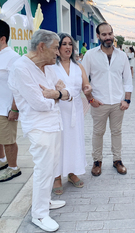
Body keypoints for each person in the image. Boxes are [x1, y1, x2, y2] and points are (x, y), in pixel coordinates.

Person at [8, 29, 70, 232]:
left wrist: (55, 93)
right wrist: (56, 95)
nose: (58, 53)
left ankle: (45, 201)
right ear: (41, 47)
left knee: (52, 167)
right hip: (39, 127)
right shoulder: (21, 68)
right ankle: (39, 214)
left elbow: (63, 90)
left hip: (54, 124)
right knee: (43, 170)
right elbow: (38, 104)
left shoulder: (48, 66)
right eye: (55, 48)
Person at [82, 22, 133, 176]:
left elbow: (128, 80)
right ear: (98, 36)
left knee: (117, 132)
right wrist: (91, 99)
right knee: (98, 132)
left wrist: (127, 100)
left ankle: (117, 160)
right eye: (104, 34)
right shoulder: (90, 55)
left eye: (110, 33)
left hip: (118, 103)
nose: (108, 37)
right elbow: (84, 80)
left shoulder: (122, 55)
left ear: (113, 34)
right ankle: (97, 161)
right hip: (99, 103)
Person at [51, 33, 92, 195]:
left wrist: (88, 90)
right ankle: (56, 176)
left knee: (74, 141)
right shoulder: (51, 67)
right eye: (64, 44)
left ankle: (72, 172)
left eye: (70, 44)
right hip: (58, 110)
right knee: (59, 143)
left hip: (75, 111)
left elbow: (85, 85)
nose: (68, 47)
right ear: (58, 48)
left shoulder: (78, 66)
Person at [0, 20, 21, 182]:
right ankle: (2, 161)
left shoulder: (13, 58)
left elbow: (18, 86)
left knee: (8, 140)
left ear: (2, 38)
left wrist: (14, 109)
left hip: (6, 108)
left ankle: (13, 168)